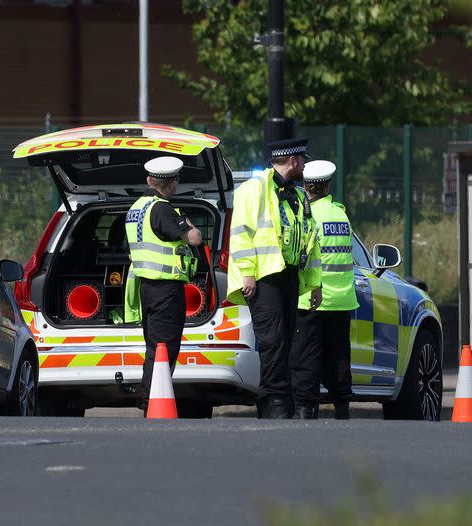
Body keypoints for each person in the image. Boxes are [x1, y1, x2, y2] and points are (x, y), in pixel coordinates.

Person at [226, 137, 322, 419]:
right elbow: (241, 233)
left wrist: (314, 282)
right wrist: (247, 273)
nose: (304, 165)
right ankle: (275, 401)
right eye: (302, 160)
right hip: (263, 276)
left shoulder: (298, 194)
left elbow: (311, 241)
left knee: (287, 341)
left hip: (289, 274)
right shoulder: (254, 189)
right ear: (293, 161)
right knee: (272, 340)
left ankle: (279, 400)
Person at [124, 155, 203, 415]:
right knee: (164, 350)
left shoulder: (136, 208)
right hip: (166, 290)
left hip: (147, 289)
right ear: (171, 185)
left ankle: (149, 400)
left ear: (149, 180)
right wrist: (189, 223)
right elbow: (194, 238)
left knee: (154, 348)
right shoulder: (162, 209)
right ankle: (151, 403)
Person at [289, 160, 358, 419]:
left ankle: (306, 409)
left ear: (306, 186)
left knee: (306, 358)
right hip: (342, 300)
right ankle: (342, 408)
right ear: (327, 185)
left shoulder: (307, 216)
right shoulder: (340, 214)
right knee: (339, 357)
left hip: (311, 299)